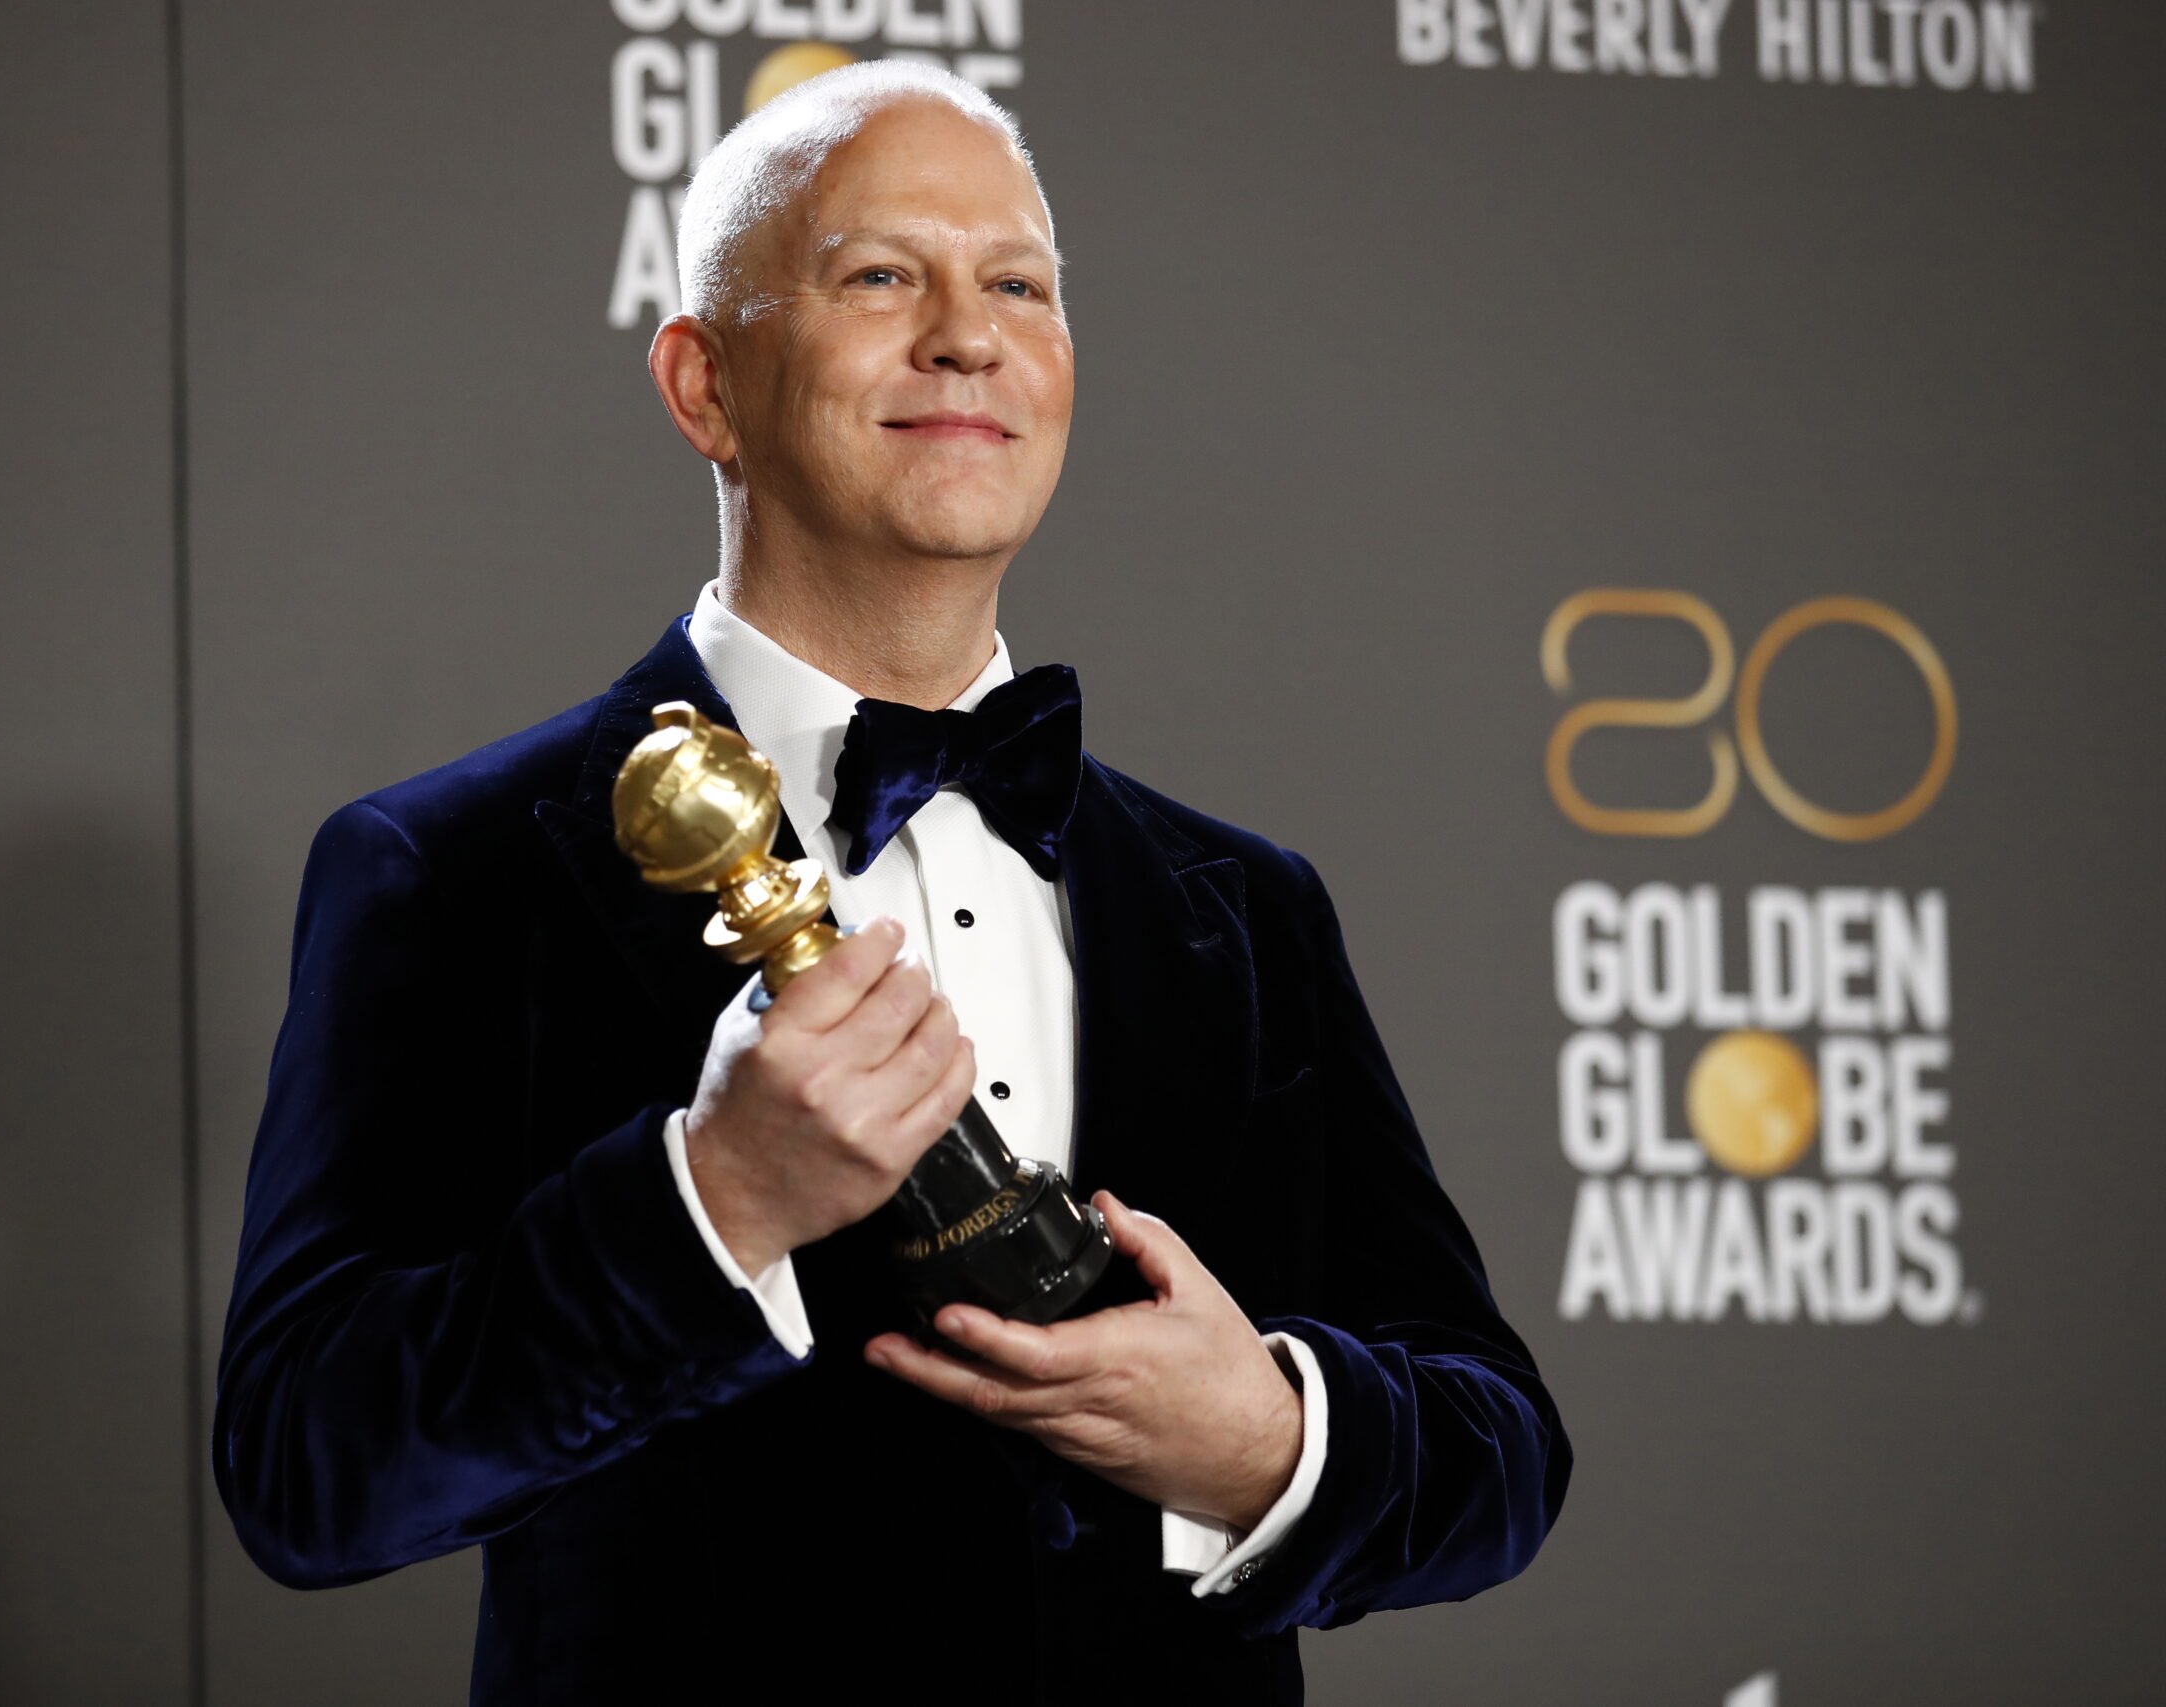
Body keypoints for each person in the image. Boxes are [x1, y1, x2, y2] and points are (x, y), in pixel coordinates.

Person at [215, 61, 1568, 1705]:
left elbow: (1501, 1450)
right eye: (880, 277)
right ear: (706, 386)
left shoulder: (1244, 906)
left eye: (1019, 285)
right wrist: (709, 1203)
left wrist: (1272, 1439)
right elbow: (309, 1467)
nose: (969, 334)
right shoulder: (454, 869)